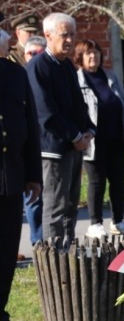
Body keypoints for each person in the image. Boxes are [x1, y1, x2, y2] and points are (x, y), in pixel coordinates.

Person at [26, 13, 96, 242]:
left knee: (71, 206)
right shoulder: (38, 67)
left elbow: (78, 104)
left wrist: (88, 130)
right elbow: (46, 112)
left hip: (74, 147)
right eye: (64, 35)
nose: (70, 40)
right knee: (55, 208)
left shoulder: (66, 66)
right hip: (54, 149)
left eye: (73, 34)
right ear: (48, 35)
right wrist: (75, 135)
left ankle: (67, 257)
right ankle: (53, 260)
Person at [0, 53, 42, 321]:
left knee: (5, 255)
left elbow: (30, 125)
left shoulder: (15, 73)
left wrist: (33, 174)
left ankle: (0, 318)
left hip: (10, 179)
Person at [75, 40, 124, 239]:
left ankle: (118, 221)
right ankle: (95, 222)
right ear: (81, 57)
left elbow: (122, 103)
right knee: (96, 182)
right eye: (89, 54)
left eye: (96, 53)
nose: (94, 57)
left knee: (118, 181)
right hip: (93, 141)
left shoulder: (110, 76)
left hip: (116, 138)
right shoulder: (78, 79)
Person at [20, 36, 46, 245]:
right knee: (32, 200)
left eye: (39, 53)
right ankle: (37, 241)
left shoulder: (48, 74)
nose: (34, 57)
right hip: (27, 147)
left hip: (48, 144)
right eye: (31, 53)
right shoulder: (18, 78)